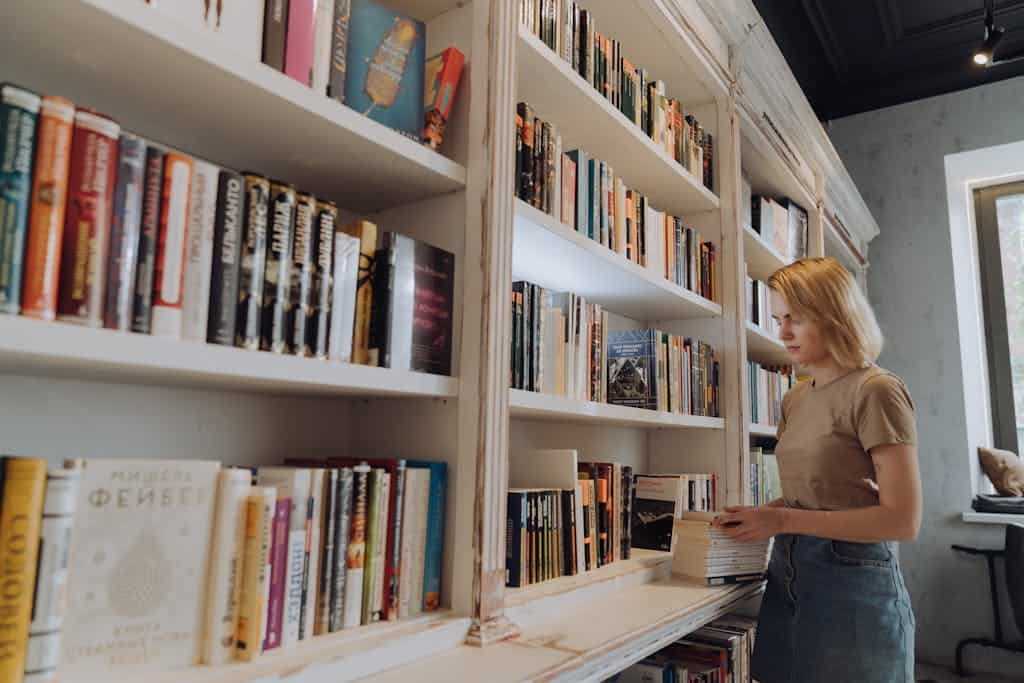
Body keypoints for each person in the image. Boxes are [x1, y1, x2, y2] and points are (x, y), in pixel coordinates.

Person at [713, 257, 921, 682]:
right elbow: (812, 495)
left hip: (854, 580)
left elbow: (903, 520)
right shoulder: (794, 399)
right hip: (787, 573)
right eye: (777, 318)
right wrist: (759, 516)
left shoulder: (876, 390)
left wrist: (783, 518)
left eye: (796, 318)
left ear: (835, 315)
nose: (783, 332)